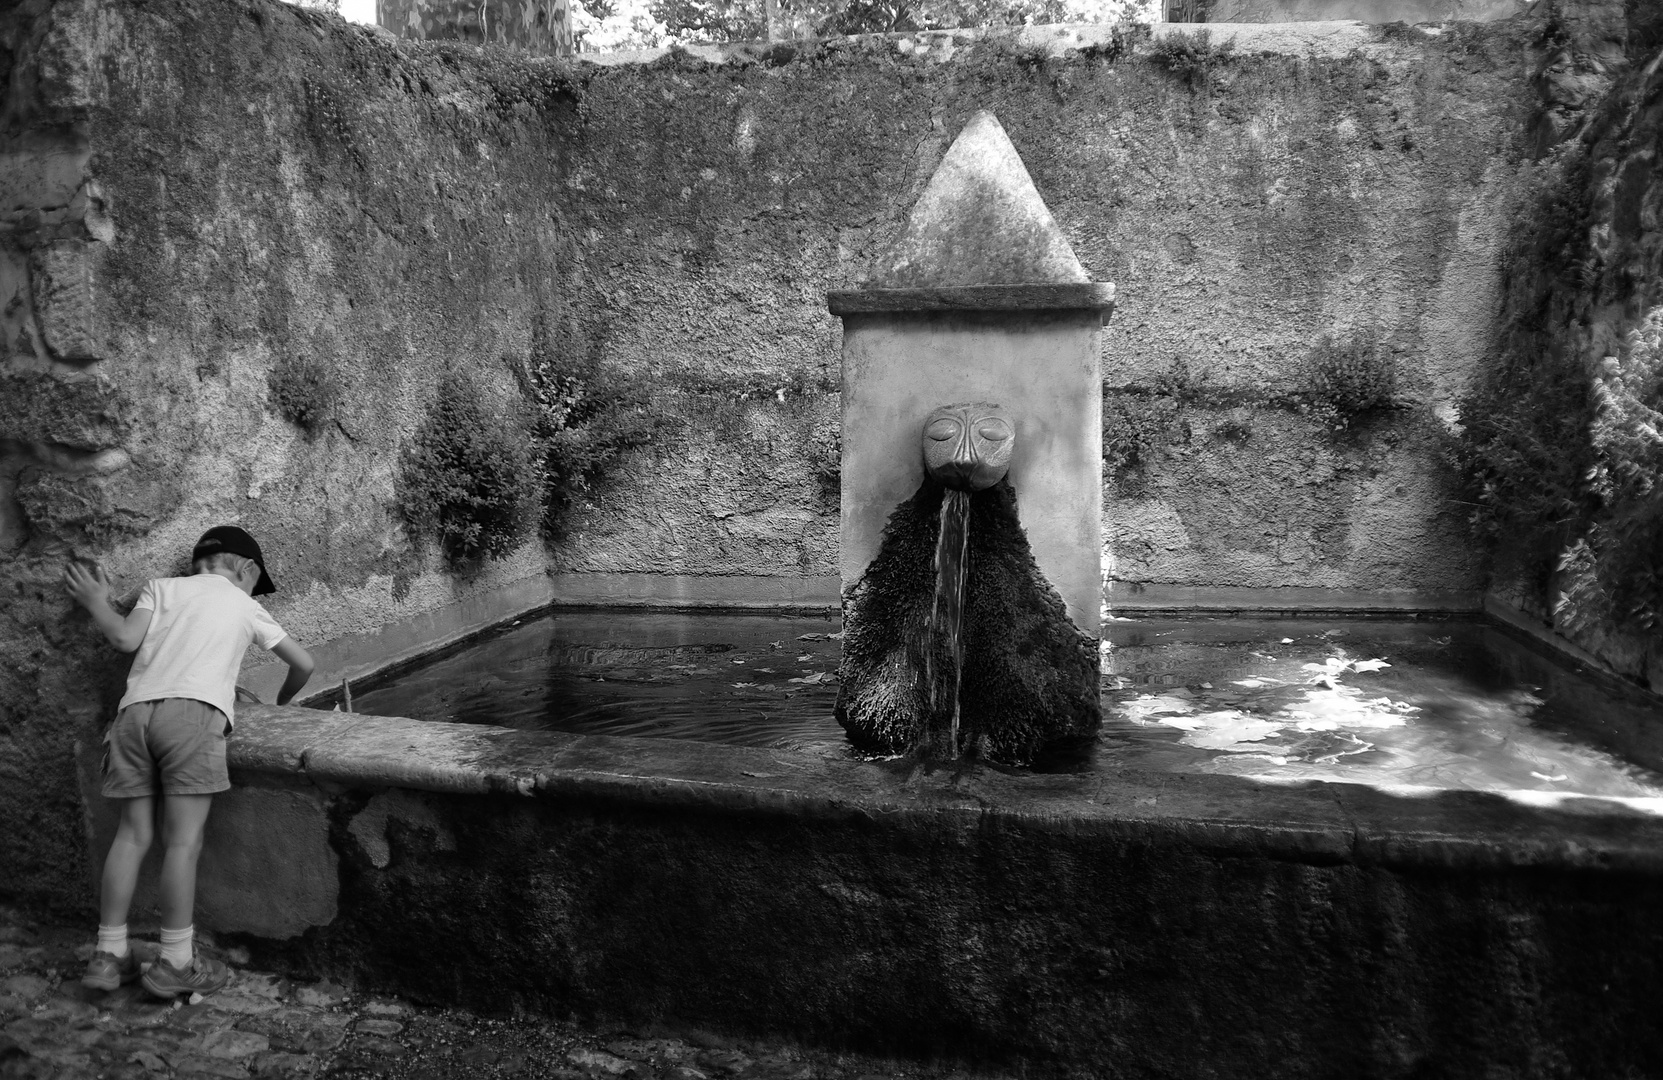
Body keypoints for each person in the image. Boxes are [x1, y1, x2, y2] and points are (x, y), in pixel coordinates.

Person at [64, 525, 315, 999]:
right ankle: (176, 961)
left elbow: (122, 638)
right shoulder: (246, 604)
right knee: (182, 843)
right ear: (247, 569)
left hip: (133, 716)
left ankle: (109, 952)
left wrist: (97, 599)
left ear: (200, 563)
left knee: (132, 835)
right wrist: (282, 702)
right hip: (194, 718)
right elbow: (304, 664)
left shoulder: (160, 588)